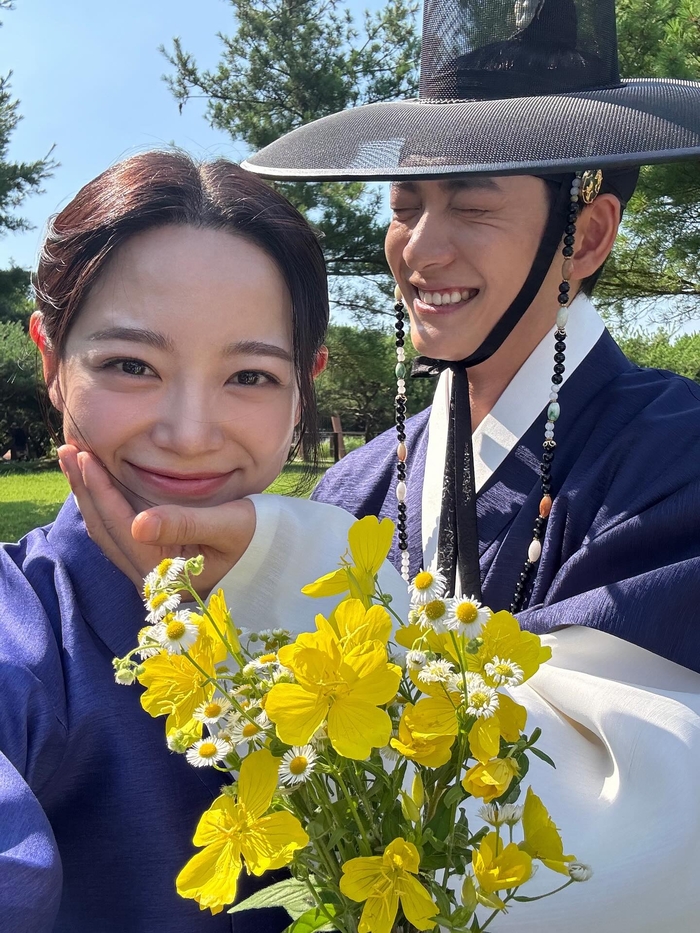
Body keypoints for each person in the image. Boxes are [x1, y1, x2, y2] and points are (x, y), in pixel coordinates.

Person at [0, 150, 407, 933]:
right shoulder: (23, 625)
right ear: (51, 360)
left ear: (304, 386)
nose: (189, 434)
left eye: (249, 376)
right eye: (131, 364)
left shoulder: (355, 602)